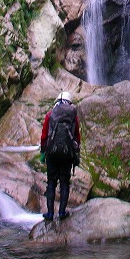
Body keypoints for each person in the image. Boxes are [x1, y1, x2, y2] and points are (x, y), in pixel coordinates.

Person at [40, 91, 80, 221]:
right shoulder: (73, 116)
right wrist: (76, 153)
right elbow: (77, 136)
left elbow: (44, 135)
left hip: (52, 153)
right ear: (69, 103)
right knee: (64, 182)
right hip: (67, 154)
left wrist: (43, 152)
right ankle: (62, 212)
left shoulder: (50, 115)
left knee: (51, 182)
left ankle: (50, 213)